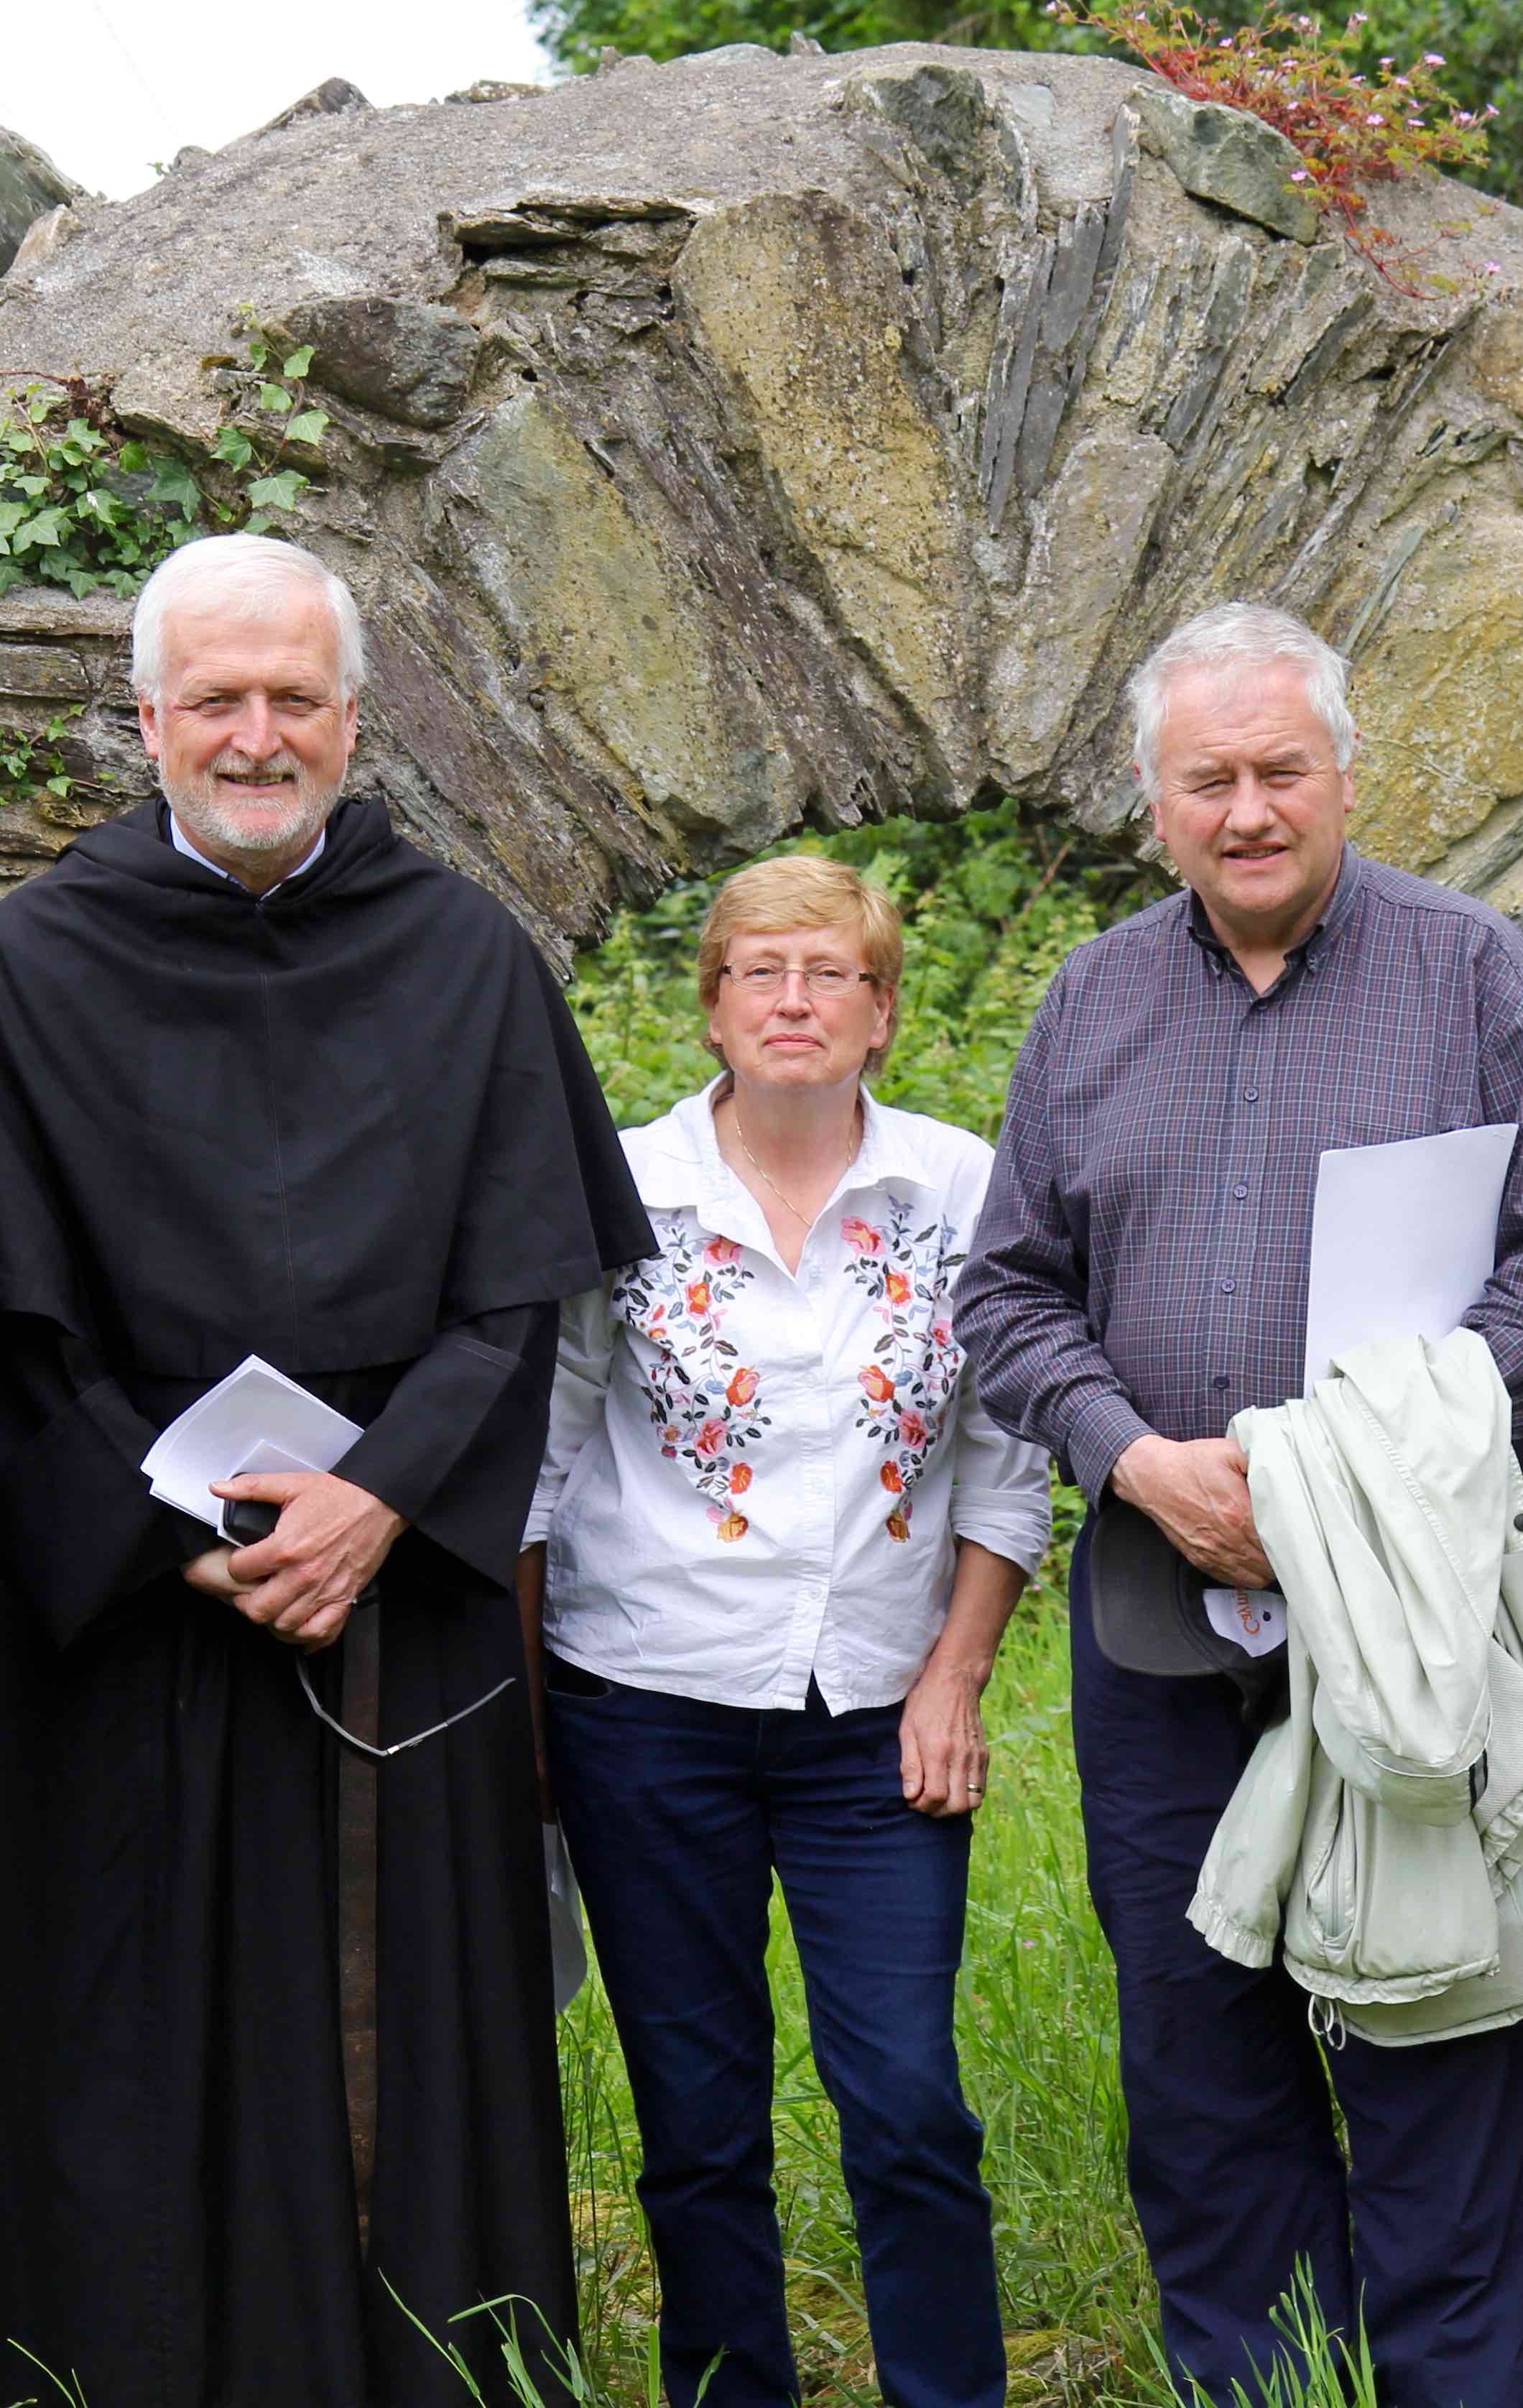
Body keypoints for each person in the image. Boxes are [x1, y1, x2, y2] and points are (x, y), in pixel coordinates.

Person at [0, 532, 653, 2408]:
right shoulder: (28, 969)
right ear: (149, 721)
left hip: (396, 1608)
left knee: (398, 2052)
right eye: (217, 701)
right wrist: (174, 1532)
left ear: (352, 719)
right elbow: (5, 1330)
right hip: (131, 1622)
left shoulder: (465, 955)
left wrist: (380, 1499)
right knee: (124, 2039)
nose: (256, 735)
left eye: (293, 699)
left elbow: (516, 1296)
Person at [952, 601, 1523, 2408]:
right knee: (1200, 2058)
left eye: (1280, 770)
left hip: (1402, 1620)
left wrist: (1345, 1478)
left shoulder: (1476, 975)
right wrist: (1130, 1454)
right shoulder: (1091, 1001)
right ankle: (1263, 2388)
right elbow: (1007, 1298)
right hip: (1162, 1617)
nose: (1248, 809)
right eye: (1208, 781)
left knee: (1430, 2027)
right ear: (1154, 803)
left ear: (1343, 774)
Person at [520, 855, 1052, 2408]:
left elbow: (1006, 1457)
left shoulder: (962, 1189)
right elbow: (543, 1465)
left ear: (884, 1010)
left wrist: (957, 1676)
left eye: (832, 973)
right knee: (697, 2119)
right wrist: (537, 1728)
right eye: (762, 970)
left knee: (905, 2102)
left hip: (877, 1719)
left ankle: (945, 2392)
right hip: (644, 1709)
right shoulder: (622, 1190)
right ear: (714, 1002)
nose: (796, 1000)